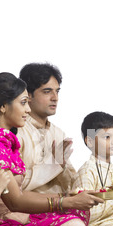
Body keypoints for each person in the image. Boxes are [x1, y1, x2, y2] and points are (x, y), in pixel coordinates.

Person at [0, 72, 104, 226]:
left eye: (57, 92)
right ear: (3, 106)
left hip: (19, 214)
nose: (27, 109)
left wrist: (70, 197)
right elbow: (15, 200)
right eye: (24, 103)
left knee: (79, 210)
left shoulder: (8, 140)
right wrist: (64, 201)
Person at [16, 62, 76, 194]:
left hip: (61, 207)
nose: (55, 98)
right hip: (28, 210)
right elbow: (12, 189)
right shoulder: (16, 132)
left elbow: (72, 185)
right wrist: (52, 165)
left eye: (57, 91)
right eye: (47, 91)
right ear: (28, 95)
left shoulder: (58, 134)